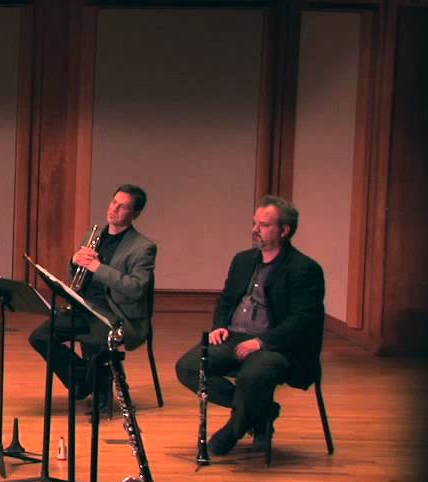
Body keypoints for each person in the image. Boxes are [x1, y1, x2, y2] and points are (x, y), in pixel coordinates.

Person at [174, 196, 324, 455]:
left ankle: (233, 431)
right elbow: (226, 299)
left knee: (252, 377)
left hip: (275, 346)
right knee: (188, 367)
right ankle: (261, 413)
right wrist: (220, 325)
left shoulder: (304, 269)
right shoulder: (243, 260)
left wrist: (262, 342)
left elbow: (303, 320)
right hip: (233, 336)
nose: (255, 230)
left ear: (284, 230)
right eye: (255, 223)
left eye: (264, 225)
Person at [28, 184, 157, 406]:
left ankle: (98, 388)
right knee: (40, 337)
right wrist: (75, 261)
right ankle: (84, 381)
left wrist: (99, 268)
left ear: (135, 214)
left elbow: (136, 288)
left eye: (123, 207)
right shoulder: (94, 234)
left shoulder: (143, 247)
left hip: (116, 314)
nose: (114, 209)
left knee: (95, 339)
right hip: (84, 306)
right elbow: (76, 277)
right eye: (114, 202)